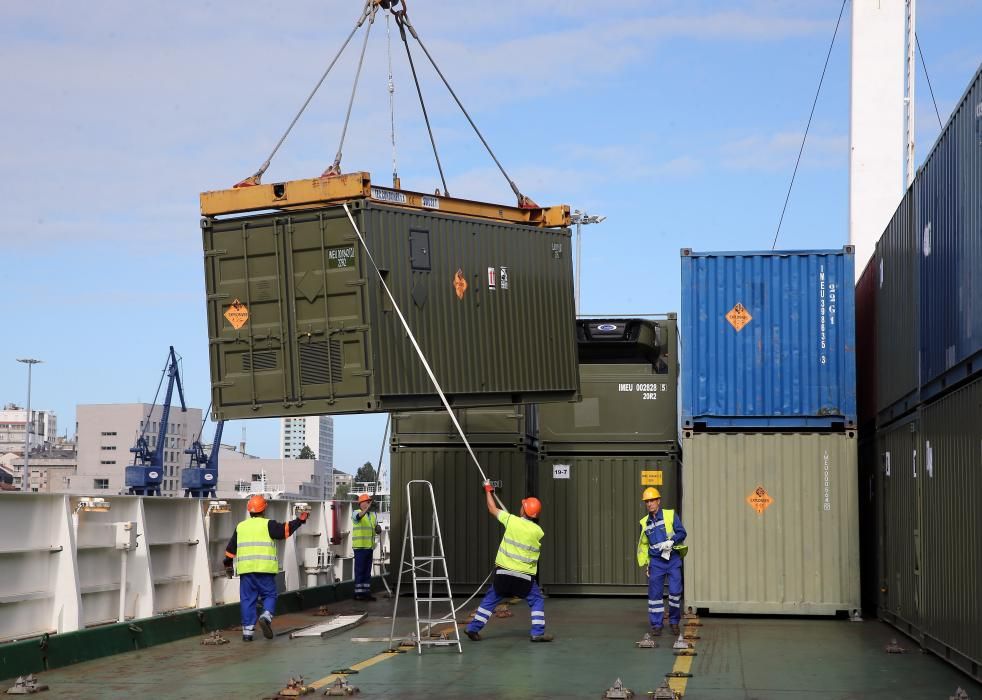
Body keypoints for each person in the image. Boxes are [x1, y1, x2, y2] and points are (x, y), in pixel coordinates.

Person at [465, 480, 553, 643]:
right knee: (536, 600)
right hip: (524, 578)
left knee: (491, 599)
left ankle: (473, 628)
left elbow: (492, 508)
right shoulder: (538, 531)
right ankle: (538, 633)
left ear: (524, 509)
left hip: (504, 573)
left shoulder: (511, 521)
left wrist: (488, 490)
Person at [223, 495, 307, 642]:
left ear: (249, 510)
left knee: (247, 600)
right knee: (269, 595)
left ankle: (247, 633)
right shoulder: (269, 524)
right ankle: (266, 616)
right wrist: (300, 520)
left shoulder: (241, 527)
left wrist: (228, 565)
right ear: (264, 510)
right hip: (264, 570)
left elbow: (230, 550)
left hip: (246, 571)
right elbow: (285, 531)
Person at [636, 487, 688, 635]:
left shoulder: (670, 515)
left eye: (652, 500)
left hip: (672, 560)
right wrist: (647, 564)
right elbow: (645, 545)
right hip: (656, 563)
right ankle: (656, 625)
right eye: (647, 501)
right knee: (655, 595)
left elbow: (682, 532)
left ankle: (674, 622)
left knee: (675, 592)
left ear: (658, 501)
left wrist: (672, 541)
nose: (650, 503)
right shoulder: (644, 522)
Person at [352, 493, 381, 601]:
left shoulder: (372, 516)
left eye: (369, 502)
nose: (368, 504)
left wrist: (378, 529)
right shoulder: (356, 513)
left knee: (367, 571)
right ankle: (358, 593)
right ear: (361, 504)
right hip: (359, 547)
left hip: (369, 547)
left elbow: (375, 530)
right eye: (367, 502)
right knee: (360, 570)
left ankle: (366, 593)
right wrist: (367, 509)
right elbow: (359, 517)